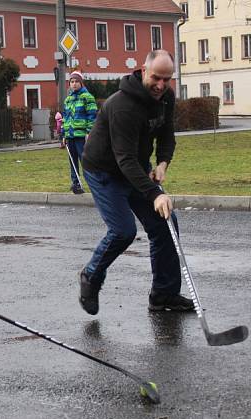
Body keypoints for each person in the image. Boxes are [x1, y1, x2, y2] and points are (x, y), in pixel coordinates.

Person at [79, 50, 193, 315]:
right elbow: (124, 159)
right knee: (123, 231)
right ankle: (90, 276)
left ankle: (164, 295)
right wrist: (155, 194)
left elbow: (167, 137)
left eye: (167, 79)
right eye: (156, 77)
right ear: (143, 70)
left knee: (166, 224)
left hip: (134, 167)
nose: (161, 85)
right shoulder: (122, 106)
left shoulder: (166, 98)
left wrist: (163, 164)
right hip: (104, 170)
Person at [60, 70, 97, 194]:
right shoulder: (68, 99)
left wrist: (89, 132)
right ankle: (76, 183)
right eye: (72, 81)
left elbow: (92, 115)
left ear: (81, 83)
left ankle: (93, 185)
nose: (74, 84)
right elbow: (65, 118)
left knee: (85, 161)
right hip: (70, 135)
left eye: (76, 81)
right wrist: (64, 134)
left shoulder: (87, 97)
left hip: (82, 136)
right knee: (72, 160)